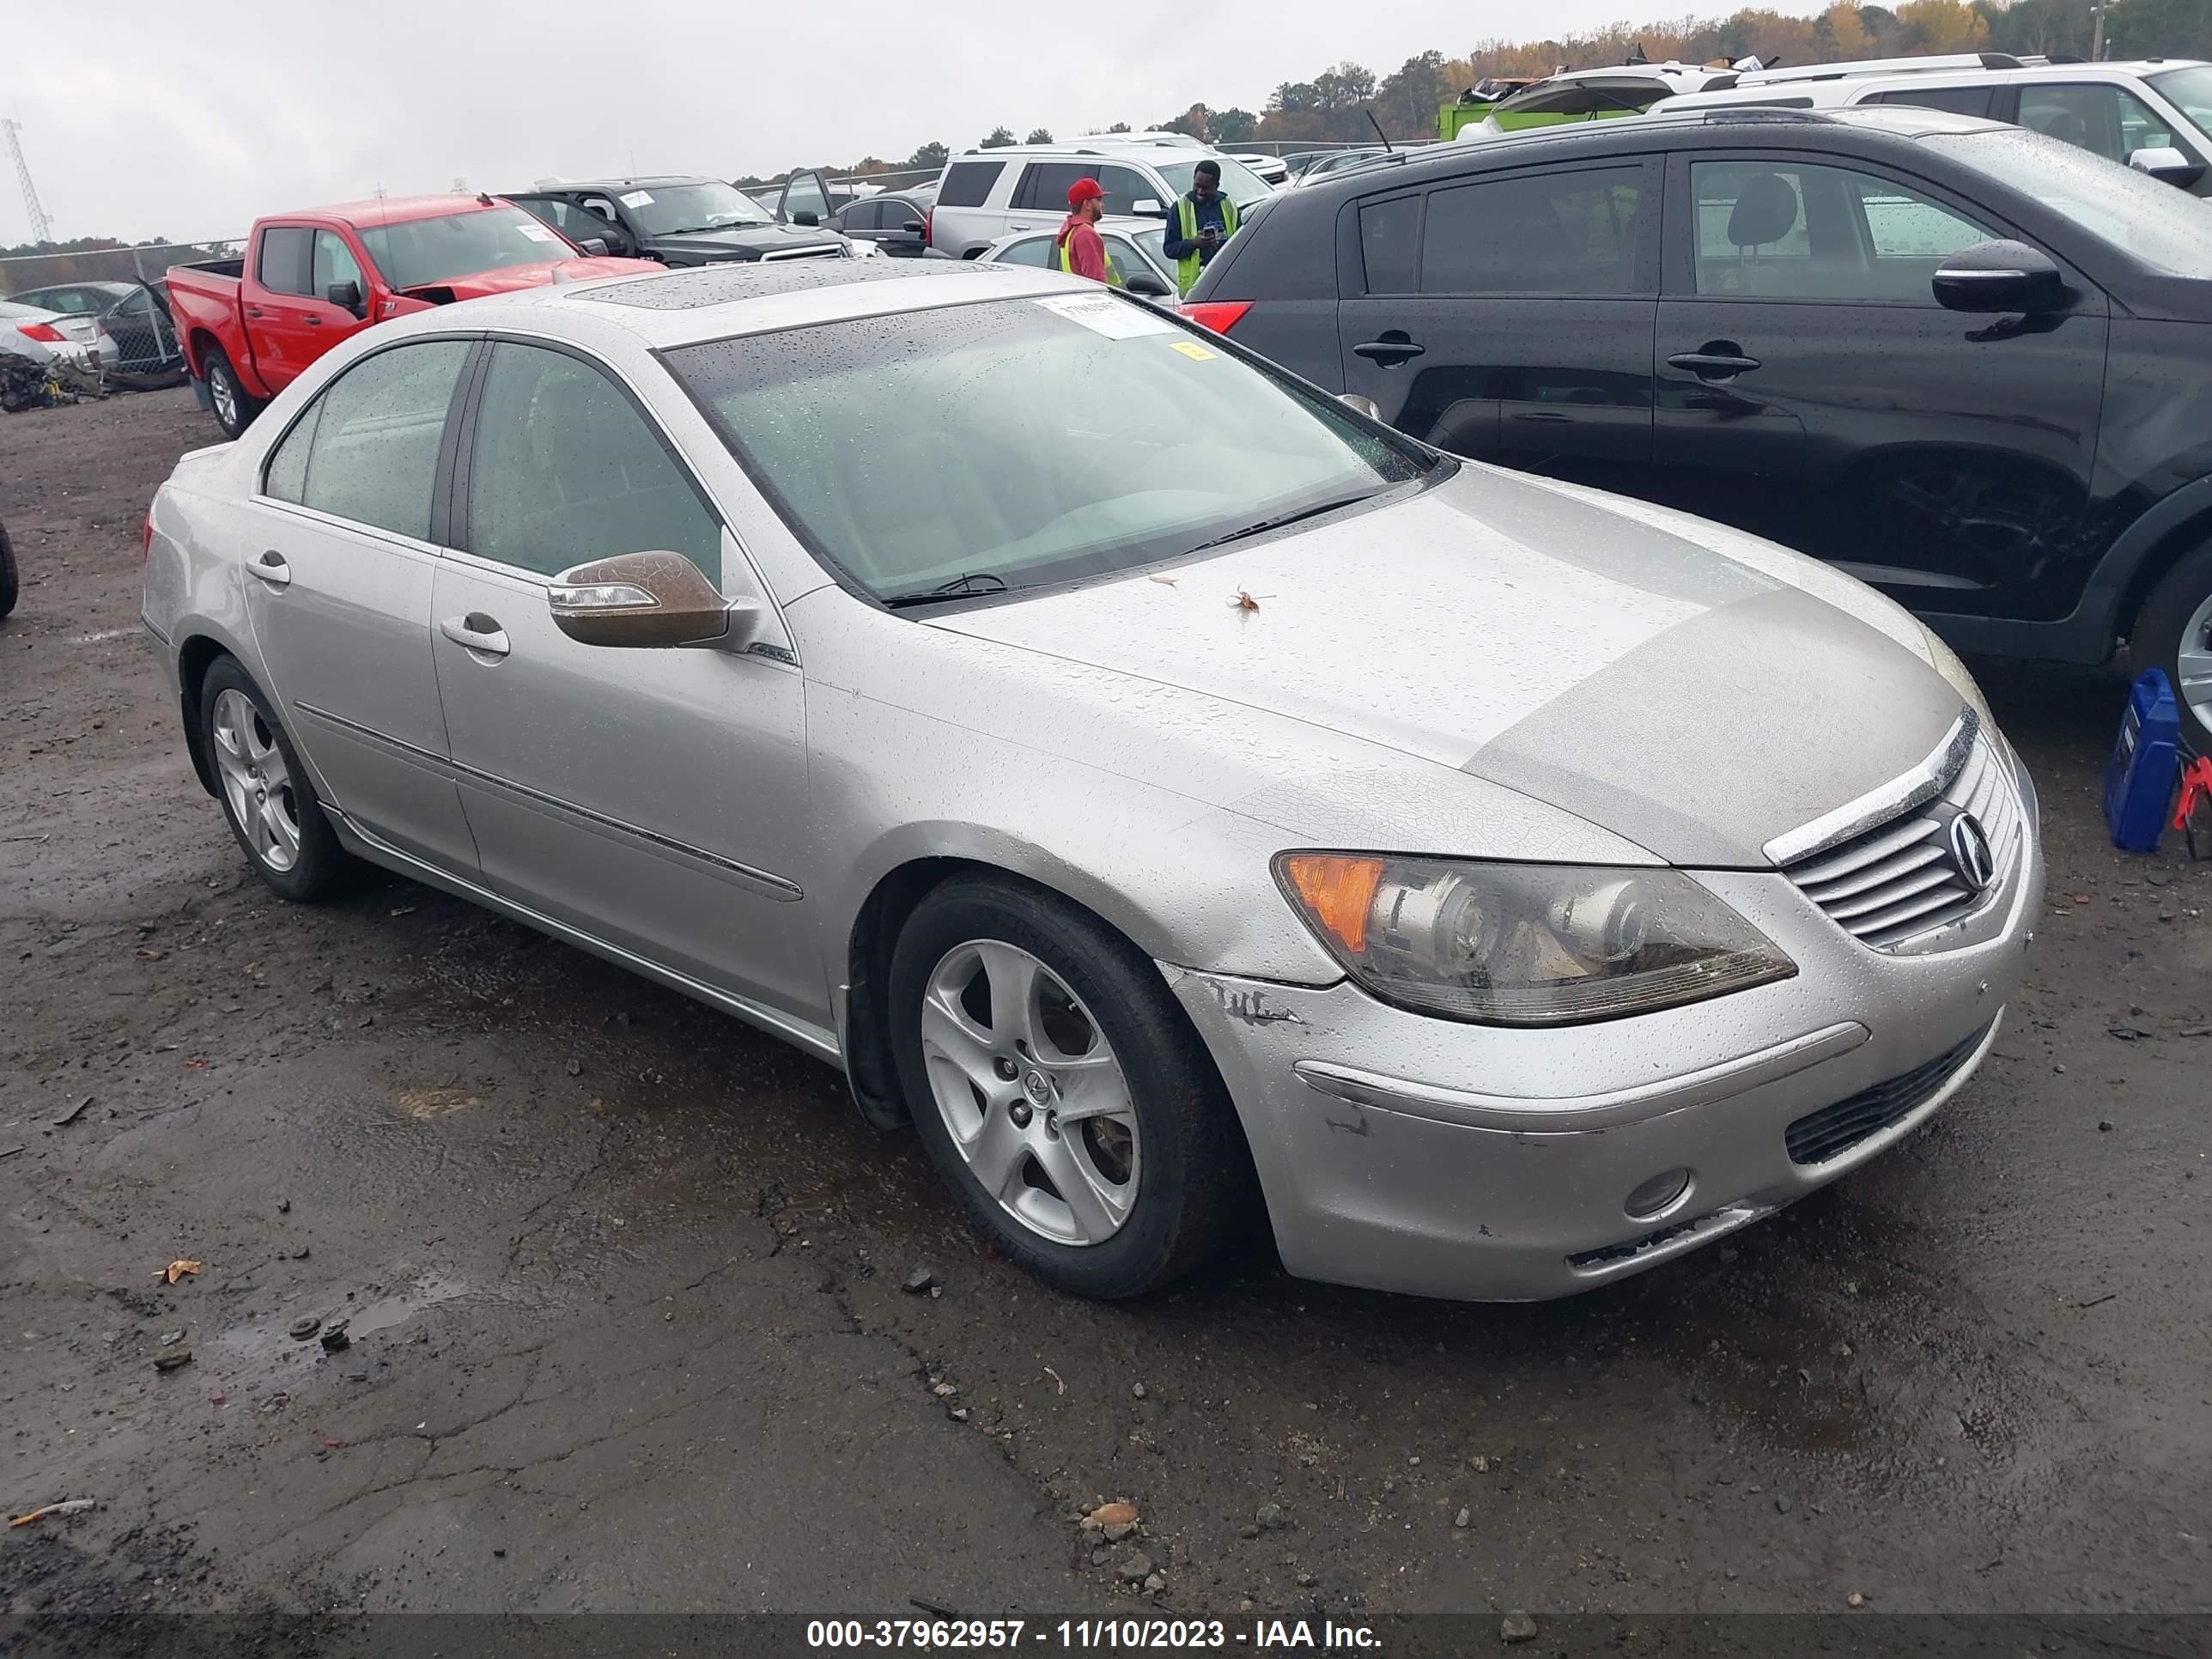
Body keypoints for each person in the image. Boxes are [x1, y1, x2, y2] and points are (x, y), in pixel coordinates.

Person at [1163, 159, 1240, 297]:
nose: (1200, 191)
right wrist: (1194, 243)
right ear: (1193, 180)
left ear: (1216, 186)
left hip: (1225, 284)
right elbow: (1169, 249)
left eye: (1206, 188)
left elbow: (1241, 246)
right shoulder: (1180, 208)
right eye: (1197, 185)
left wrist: (1220, 247)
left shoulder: (1230, 207)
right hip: (1195, 290)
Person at [1054, 177, 1115, 285]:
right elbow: (1097, 282)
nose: (1102, 205)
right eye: (1099, 200)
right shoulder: (1086, 235)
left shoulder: (1072, 230)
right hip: (1105, 299)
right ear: (1087, 204)